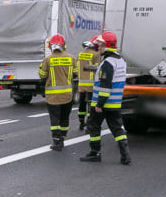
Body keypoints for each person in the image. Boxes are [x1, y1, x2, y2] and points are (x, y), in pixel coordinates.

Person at [80, 31, 131, 165]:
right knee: (117, 128)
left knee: (93, 125)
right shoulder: (120, 61)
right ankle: (125, 155)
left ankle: (95, 153)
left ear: (108, 46)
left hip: (103, 103)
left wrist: (99, 104)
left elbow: (105, 85)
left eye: (101, 45)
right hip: (115, 103)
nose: (99, 48)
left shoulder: (107, 63)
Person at [39, 34, 77, 150]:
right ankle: (63, 138)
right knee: (65, 118)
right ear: (63, 45)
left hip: (53, 97)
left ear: (51, 46)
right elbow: (76, 73)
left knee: (55, 119)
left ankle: (56, 142)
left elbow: (42, 75)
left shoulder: (48, 60)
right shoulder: (71, 58)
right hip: (68, 96)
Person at [76, 36, 101, 130]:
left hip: (81, 84)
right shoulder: (96, 54)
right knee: (91, 106)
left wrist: (83, 70)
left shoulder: (81, 53)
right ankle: (89, 124)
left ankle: (81, 122)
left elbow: (78, 68)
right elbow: (98, 68)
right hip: (92, 85)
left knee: (82, 104)